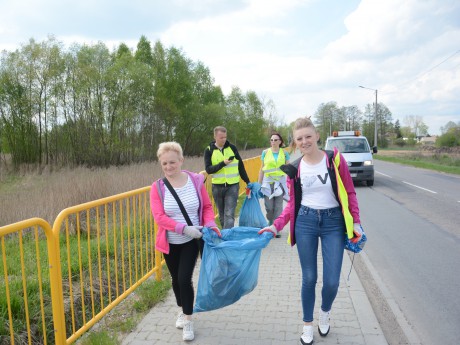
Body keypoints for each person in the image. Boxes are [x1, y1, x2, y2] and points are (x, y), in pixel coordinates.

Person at [258, 117, 364, 345]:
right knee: (309, 277)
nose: (305, 141)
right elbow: (291, 205)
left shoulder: (334, 159)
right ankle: (307, 324)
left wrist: (355, 221)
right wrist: (274, 225)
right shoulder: (295, 168)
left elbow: (350, 191)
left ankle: (325, 312)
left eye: (308, 136)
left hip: (333, 222)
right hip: (305, 221)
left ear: (317, 136)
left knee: (332, 281)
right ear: (295, 143)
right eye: (299, 138)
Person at [150, 142, 221, 341]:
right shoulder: (157, 187)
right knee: (175, 280)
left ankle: (189, 320)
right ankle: (182, 309)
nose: (169, 167)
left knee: (184, 279)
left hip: (192, 240)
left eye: (172, 162)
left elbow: (207, 207)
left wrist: (209, 224)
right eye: (164, 163)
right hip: (170, 242)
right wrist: (183, 228)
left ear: (181, 160)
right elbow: (159, 217)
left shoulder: (196, 180)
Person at [204, 126, 250, 229]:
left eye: (225, 137)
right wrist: (223, 163)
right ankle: (225, 235)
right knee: (222, 215)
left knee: (229, 214)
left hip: (232, 186)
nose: (224, 139)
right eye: (221, 137)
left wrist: (247, 181)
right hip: (217, 187)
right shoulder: (209, 150)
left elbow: (240, 166)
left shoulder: (232, 148)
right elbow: (208, 169)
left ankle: (227, 239)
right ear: (215, 136)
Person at [257, 132, 290, 237]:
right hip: (268, 183)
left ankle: (277, 228)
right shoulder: (265, 152)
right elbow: (262, 168)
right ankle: (271, 221)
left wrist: (290, 182)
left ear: (280, 142)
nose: (273, 142)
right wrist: (259, 183)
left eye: (276, 140)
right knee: (269, 207)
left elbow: (288, 168)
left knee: (278, 206)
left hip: (279, 182)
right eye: (271, 140)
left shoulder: (284, 153)